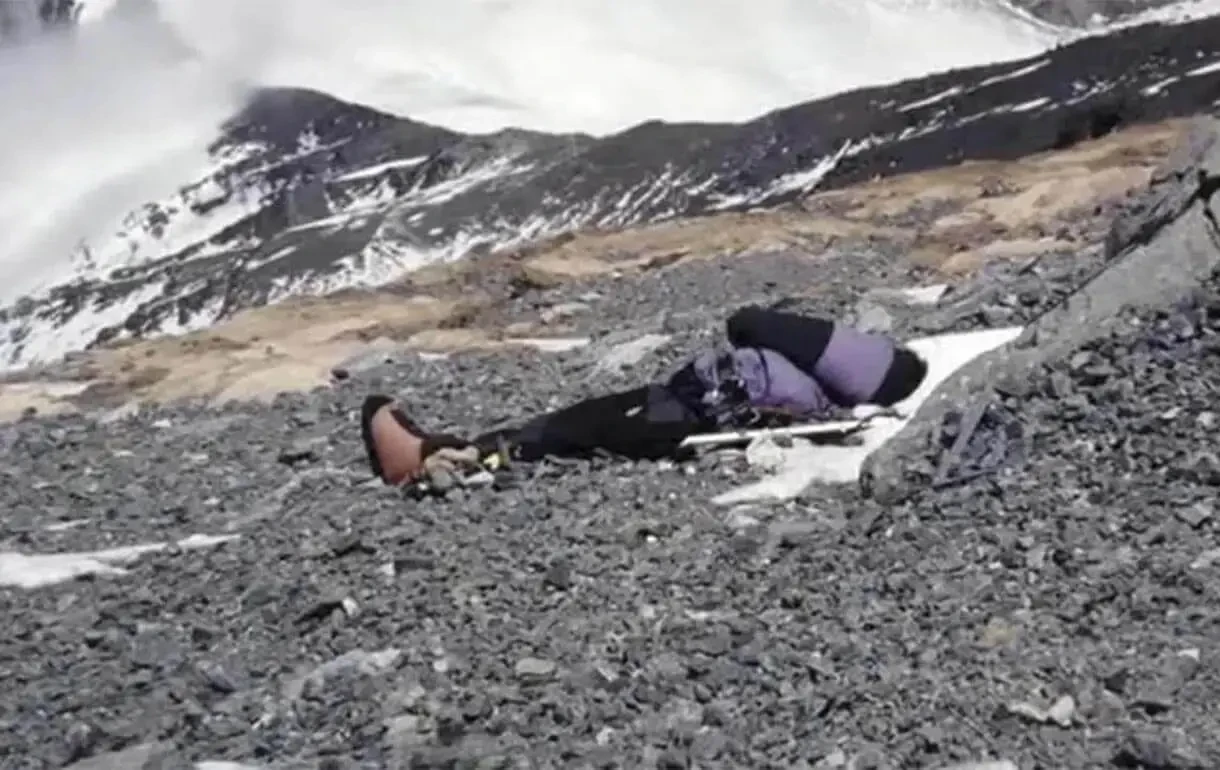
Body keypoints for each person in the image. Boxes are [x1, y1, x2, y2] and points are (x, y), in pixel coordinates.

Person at [360, 305, 928, 487]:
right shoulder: (848, 384)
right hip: (690, 406)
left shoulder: (848, 359)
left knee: (570, 430)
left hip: (680, 410)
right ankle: (454, 452)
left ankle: (435, 459)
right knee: (573, 428)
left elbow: (745, 323)